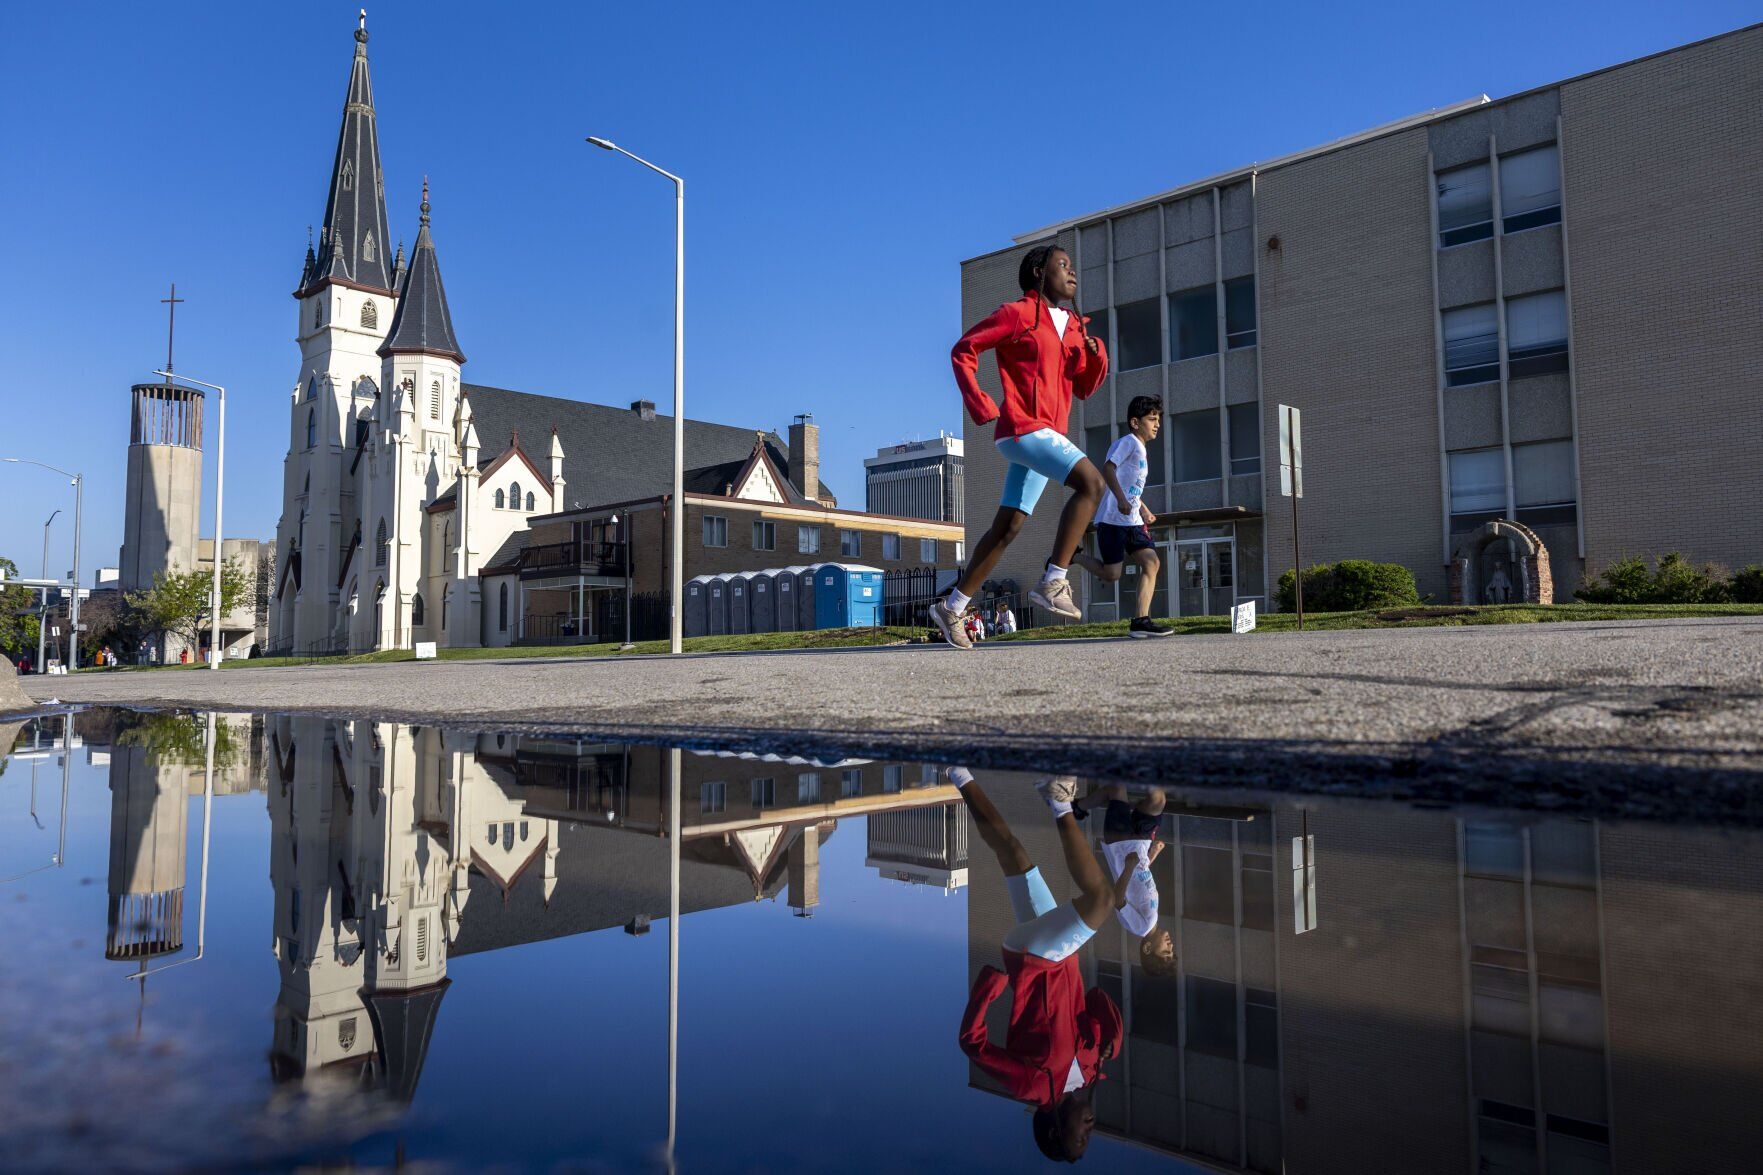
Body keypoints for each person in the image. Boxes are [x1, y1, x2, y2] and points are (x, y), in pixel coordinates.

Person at [932, 245, 1109, 649]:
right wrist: (980, 401)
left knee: (1007, 528)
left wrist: (1097, 358)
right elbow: (964, 350)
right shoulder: (1018, 314)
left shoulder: (1074, 329)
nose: (1072, 272)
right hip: (1023, 428)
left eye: (1072, 265)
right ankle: (1054, 580)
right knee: (1092, 485)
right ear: (1038, 272)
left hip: (1046, 434)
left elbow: (1082, 388)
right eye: (1062, 265)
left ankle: (953, 606)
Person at [949, 767, 1123, 1162]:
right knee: (1012, 852)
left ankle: (1061, 802)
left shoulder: (1033, 1086)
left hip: (1035, 960)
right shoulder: (1093, 1069)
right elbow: (1095, 999)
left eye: (1078, 1139)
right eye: (1087, 1141)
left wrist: (992, 986)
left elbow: (971, 1044)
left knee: (1101, 901)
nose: (1088, 1133)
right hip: (1055, 954)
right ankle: (957, 772)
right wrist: (1112, 1042)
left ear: (1055, 1130)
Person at [1071, 395, 1171, 639]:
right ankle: (1074, 556)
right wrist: (1122, 501)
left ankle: (1140, 621)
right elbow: (1108, 469)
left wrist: (1142, 507)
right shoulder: (1128, 442)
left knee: (1152, 563)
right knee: (1112, 574)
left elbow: (1130, 485)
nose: (1157, 424)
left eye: (1158, 419)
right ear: (1135, 423)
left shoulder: (1142, 450)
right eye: (1152, 419)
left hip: (1133, 521)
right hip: (1112, 520)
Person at [1072, 784, 1179, 975]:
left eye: (1165, 951)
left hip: (1121, 844)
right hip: (1141, 843)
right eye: (1172, 950)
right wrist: (1152, 854)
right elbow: (1140, 879)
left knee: (1116, 790)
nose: (1170, 946)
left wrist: (1128, 866)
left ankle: (1078, 807)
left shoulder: (1140, 927)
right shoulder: (1152, 919)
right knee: (1158, 800)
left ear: (1147, 948)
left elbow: (1118, 900)